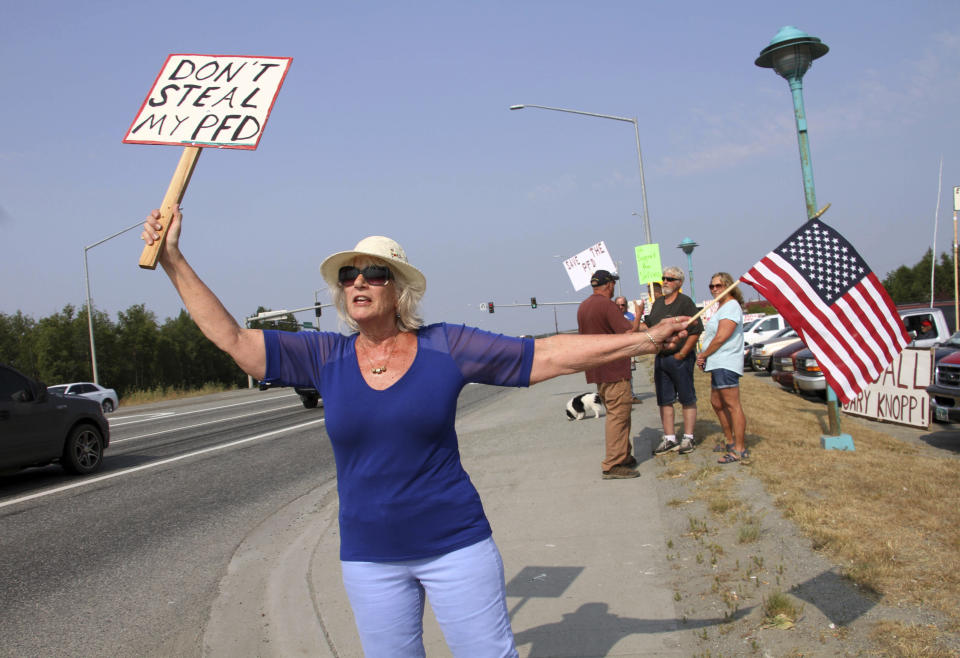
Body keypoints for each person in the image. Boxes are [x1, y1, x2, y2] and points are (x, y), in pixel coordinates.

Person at [141, 207, 690, 658]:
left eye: (373, 273)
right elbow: (235, 339)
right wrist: (174, 261)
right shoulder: (324, 356)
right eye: (349, 275)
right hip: (368, 557)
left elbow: (542, 353)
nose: (359, 282)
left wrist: (643, 340)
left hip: (455, 546)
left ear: (398, 289)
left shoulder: (444, 346)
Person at [578, 271, 644, 479]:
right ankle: (613, 464)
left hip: (598, 370)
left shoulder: (584, 306)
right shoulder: (607, 305)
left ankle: (623, 456)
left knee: (620, 413)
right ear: (609, 285)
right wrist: (639, 313)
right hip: (614, 369)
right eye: (613, 283)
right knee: (617, 416)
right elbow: (628, 334)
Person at [639, 267, 702, 455]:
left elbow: (696, 330)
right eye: (663, 278)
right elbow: (648, 326)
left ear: (679, 283)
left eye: (670, 279)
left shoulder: (685, 303)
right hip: (661, 358)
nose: (665, 281)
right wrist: (631, 322)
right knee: (664, 399)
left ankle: (688, 438)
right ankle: (669, 438)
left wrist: (682, 354)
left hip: (680, 358)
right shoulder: (658, 303)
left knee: (686, 397)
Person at [696, 273, 749, 465]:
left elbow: (721, 337)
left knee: (732, 404)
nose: (714, 289)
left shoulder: (732, 306)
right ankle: (730, 441)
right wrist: (705, 356)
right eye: (711, 286)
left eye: (718, 285)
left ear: (728, 286)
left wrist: (703, 354)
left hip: (726, 362)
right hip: (716, 362)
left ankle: (740, 449)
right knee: (717, 402)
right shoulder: (721, 307)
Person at [615, 295, 645, 404]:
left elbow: (636, 330)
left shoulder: (630, 316)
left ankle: (631, 395)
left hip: (628, 349)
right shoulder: (611, 316)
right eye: (618, 305)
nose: (620, 307)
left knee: (628, 373)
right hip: (615, 349)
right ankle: (619, 397)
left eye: (623, 304)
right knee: (616, 374)